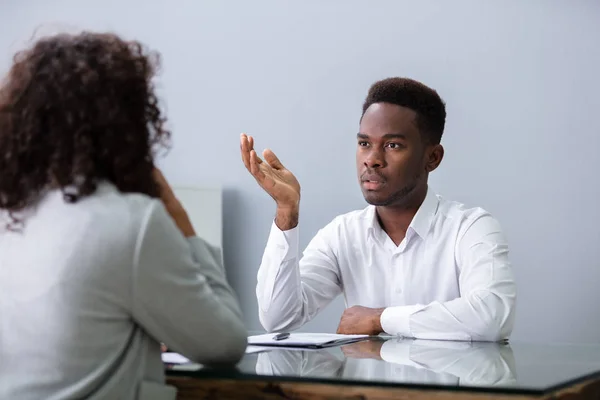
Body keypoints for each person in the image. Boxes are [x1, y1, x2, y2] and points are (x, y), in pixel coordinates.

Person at [0, 32, 247, 400]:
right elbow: (224, 343)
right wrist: (182, 222)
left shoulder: (11, 214)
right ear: (126, 122)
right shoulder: (133, 222)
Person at [240, 77, 516, 341]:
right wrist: (287, 211)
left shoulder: (470, 228)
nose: (371, 160)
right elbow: (278, 319)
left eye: (393, 145)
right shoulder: (342, 234)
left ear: (432, 158)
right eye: (364, 144)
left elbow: (492, 318)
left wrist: (379, 319)